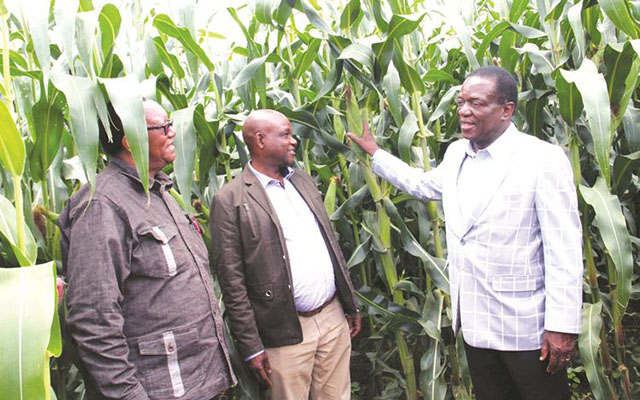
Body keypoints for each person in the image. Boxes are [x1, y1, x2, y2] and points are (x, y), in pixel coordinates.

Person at [348, 66, 583, 400]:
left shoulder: (542, 159)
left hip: (527, 327)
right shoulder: (458, 152)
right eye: (461, 102)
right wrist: (376, 153)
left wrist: (562, 326)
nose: (463, 110)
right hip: (475, 323)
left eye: (476, 102)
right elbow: (424, 184)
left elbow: (564, 248)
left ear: (506, 110)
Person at [58, 99, 235, 400]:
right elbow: (93, 317)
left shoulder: (161, 193)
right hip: (161, 389)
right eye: (163, 126)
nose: (173, 133)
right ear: (131, 141)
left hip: (200, 382)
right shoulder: (101, 205)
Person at [210, 109, 362, 400]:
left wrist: (350, 303)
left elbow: (329, 244)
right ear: (260, 140)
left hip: (331, 317)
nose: (293, 141)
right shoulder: (230, 200)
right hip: (284, 332)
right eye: (285, 134)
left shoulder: (301, 180)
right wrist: (252, 346)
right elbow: (232, 282)